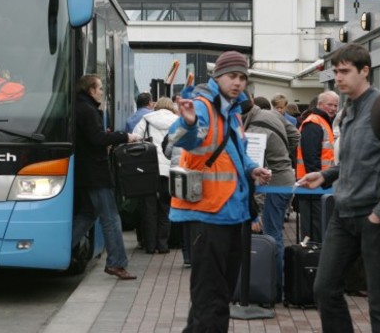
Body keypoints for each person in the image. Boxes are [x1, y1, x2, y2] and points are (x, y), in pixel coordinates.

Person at [167, 51, 272, 332]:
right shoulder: (203, 106)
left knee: (217, 296)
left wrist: (251, 168)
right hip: (209, 214)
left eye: (242, 77)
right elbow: (179, 142)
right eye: (232, 76)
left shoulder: (233, 111)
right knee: (211, 298)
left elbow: (234, 152)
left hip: (229, 214)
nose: (237, 83)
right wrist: (187, 123)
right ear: (217, 77)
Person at [297, 44, 380, 333]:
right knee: (325, 289)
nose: (338, 78)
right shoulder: (347, 111)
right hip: (344, 214)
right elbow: (355, 162)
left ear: (365, 71)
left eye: (345, 71)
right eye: (336, 71)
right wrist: (325, 175)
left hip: (375, 218)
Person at [71, 74, 139, 280]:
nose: (102, 92)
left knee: (87, 215)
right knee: (110, 218)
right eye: (100, 88)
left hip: (86, 172)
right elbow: (97, 138)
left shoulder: (80, 107)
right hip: (96, 173)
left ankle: (60, 247)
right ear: (91, 90)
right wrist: (124, 136)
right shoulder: (88, 110)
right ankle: (117, 263)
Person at [241, 95, 300, 303]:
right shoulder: (273, 114)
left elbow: (253, 169)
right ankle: (276, 287)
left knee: (273, 236)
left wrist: (255, 209)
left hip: (272, 183)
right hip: (285, 179)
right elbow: (295, 136)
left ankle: (275, 290)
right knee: (275, 235)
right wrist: (282, 158)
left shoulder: (253, 130)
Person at [132, 97, 178, 254]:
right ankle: (163, 245)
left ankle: (150, 246)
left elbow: (135, 139)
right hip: (168, 170)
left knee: (149, 209)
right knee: (165, 209)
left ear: (156, 107)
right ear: (171, 107)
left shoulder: (146, 120)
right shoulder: (177, 121)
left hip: (149, 170)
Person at [295, 90, 339, 242]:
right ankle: (312, 263)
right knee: (314, 233)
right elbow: (311, 157)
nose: (333, 108)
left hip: (319, 186)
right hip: (313, 188)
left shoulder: (322, 122)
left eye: (336, 105)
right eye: (330, 105)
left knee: (318, 231)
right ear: (320, 105)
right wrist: (319, 181)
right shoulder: (314, 123)